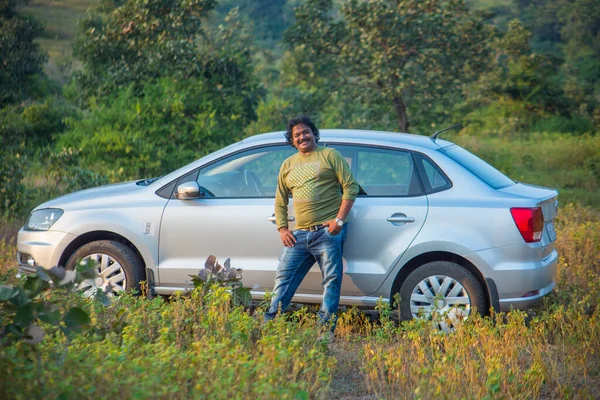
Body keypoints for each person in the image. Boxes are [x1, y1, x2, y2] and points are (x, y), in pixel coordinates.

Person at [264, 116, 359, 333]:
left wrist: (338, 220)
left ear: (314, 133)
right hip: (299, 234)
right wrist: (282, 228)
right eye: (296, 135)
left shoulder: (329, 155)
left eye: (305, 132)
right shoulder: (288, 164)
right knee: (283, 280)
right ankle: (268, 327)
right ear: (292, 140)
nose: (302, 137)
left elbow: (350, 187)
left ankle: (324, 333)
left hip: (327, 232)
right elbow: (280, 200)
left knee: (331, 282)